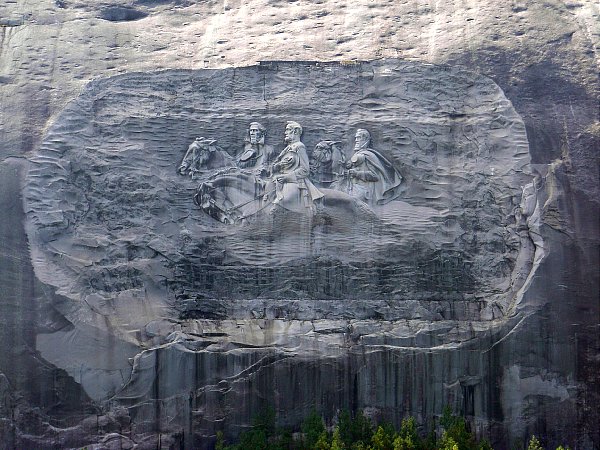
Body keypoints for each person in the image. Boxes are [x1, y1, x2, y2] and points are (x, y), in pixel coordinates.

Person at [269, 121, 324, 212]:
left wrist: (286, 177)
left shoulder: (299, 147)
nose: (285, 132)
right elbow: (275, 165)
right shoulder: (287, 148)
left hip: (295, 182)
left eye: (288, 130)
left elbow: (305, 170)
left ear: (295, 132)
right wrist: (279, 165)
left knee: (282, 203)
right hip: (279, 180)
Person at [343, 128, 402, 204]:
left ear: (365, 139)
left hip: (364, 191)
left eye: (359, 138)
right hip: (351, 187)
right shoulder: (357, 155)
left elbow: (375, 176)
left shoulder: (369, 155)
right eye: (356, 138)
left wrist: (357, 174)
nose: (356, 140)